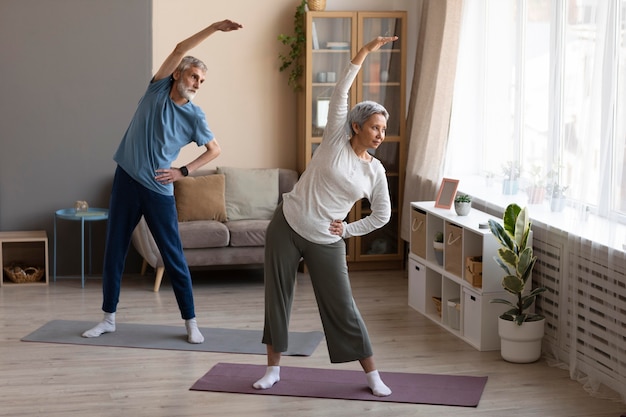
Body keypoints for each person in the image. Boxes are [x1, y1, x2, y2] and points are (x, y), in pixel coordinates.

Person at [252, 36, 398, 397]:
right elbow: (341, 90)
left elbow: (382, 215)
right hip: (287, 224)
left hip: (326, 239)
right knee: (277, 297)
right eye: (375, 127)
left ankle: (372, 375)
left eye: (383, 129)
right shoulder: (334, 137)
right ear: (356, 126)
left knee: (342, 306)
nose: (381, 134)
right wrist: (363, 53)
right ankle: (273, 369)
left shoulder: (374, 172)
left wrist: (348, 229)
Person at [82, 19, 243, 344]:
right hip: (126, 179)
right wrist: (213, 28)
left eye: (201, 80)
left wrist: (183, 171)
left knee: (173, 256)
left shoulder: (195, 116)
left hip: (158, 189)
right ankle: (108, 318)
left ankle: (190, 322)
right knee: (114, 250)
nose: (197, 83)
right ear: (177, 74)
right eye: (193, 76)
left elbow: (215, 150)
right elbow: (181, 49)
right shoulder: (156, 87)